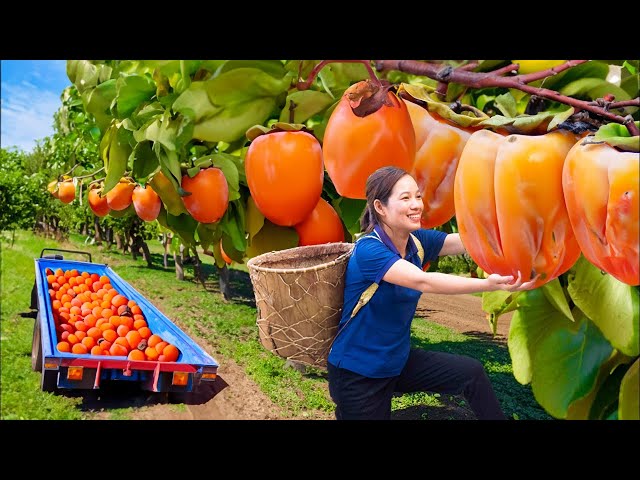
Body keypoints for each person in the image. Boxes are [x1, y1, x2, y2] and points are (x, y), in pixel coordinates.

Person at [327, 166, 538, 420]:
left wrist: (516, 225)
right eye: (405, 198)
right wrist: (491, 284)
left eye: (417, 196)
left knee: (471, 373)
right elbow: (422, 281)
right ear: (380, 207)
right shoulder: (369, 250)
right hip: (359, 373)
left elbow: (466, 242)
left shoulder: (416, 241)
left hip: (396, 362)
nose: (416, 204)